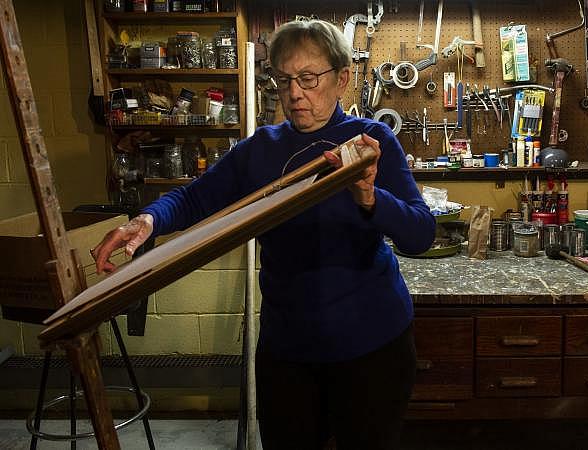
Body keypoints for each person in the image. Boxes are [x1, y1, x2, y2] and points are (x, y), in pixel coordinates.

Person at [91, 19, 435, 450]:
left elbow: (420, 234)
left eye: (308, 78)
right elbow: (194, 199)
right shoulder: (260, 150)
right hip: (288, 350)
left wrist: (369, 197)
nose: (294, 93)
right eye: (285, 79)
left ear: (342, 79)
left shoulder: (370, 141)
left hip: (372, 347)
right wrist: (146, 221)